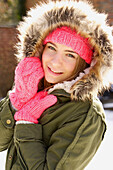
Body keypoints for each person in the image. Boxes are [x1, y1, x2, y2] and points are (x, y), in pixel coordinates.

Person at [0, 0, 113, 169]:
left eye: (70, 55)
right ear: (40, 48)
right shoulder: (32, 88)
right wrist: (17, 102)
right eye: (52, 47)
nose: (55, 62)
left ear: (85, 64)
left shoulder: (85, 114)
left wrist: (27, 124)